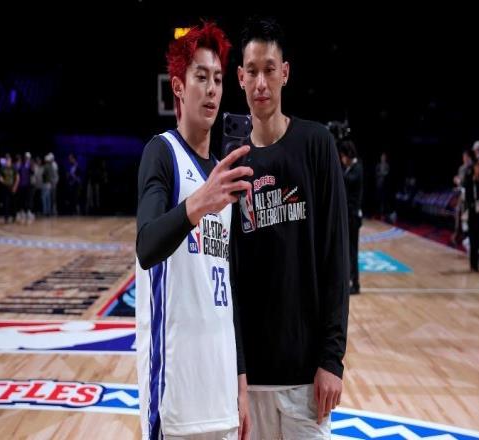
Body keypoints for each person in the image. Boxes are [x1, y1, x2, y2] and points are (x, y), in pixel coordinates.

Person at [231, 17, 349, 439]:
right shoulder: (229, 162)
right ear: (240, 77)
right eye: (252, 71)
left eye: (269, 69)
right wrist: (236, 373)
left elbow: (336, 256)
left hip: (306, 379)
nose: (261, 82)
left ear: (285, 73)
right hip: (248, 383)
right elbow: (227, 275)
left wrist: (332, 360)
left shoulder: (316, 144)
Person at [135, 22, 252, 440]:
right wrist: (200, 202)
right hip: (176, 395)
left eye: (218, 79)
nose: (212, 89)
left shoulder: (222, 173)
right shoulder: (162, 153)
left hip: (221, 393)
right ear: (179, 87)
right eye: (201, 77)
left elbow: (229, 288)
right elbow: (147, 245)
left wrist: (241, 383)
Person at [340, 140, 364, 295]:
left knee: (352, 251)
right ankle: (350, 280)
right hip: (349, 216)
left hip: (352, 217)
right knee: (348, 251)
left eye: (342, 156)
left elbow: (346, 181)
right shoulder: (350, 169)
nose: (341, 159)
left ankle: (355, 283)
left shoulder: (357, 169)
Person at [464, 158, 479, 271]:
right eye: (477, 165)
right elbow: (467, 197)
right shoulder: (469, 180)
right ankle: (474, 265)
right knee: (473, 239)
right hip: (472, 212)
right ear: (474, 167)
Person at [0, 154, 20, 223]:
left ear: (10, 161)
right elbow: (0, 177)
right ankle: (6, 218)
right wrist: (3, 181)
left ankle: (14, 216)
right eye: (7, 160)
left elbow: (17, 178)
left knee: (13, 203)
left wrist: (15, 187)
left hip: (12, 187)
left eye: (9, 160)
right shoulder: (3, 168)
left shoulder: (13, 168)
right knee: (6, 203)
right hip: (5, 187)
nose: (8, 161)